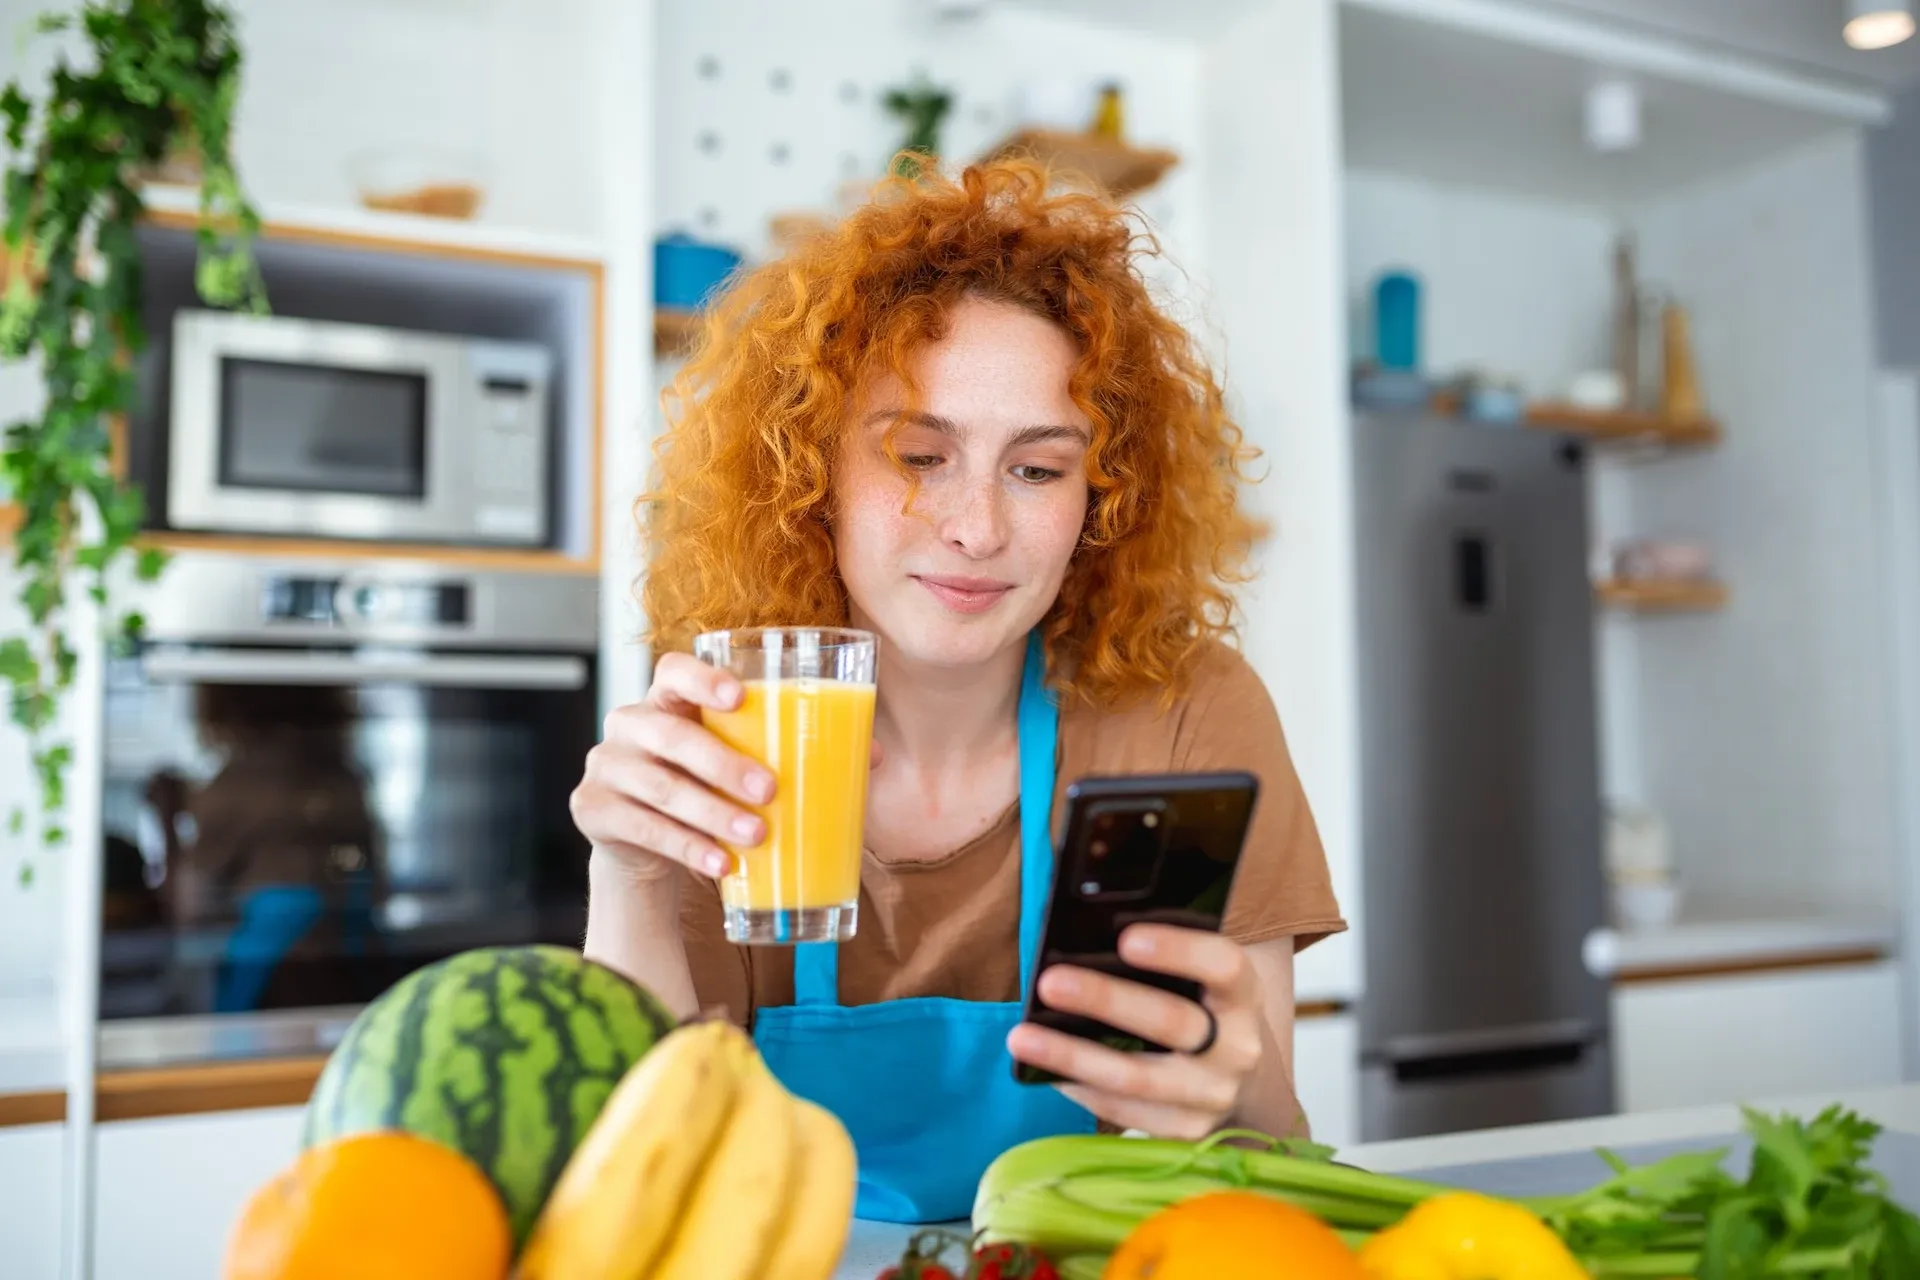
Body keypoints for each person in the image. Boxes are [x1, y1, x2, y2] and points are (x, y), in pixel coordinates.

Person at [574, 158, 1346, 1222]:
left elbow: (1269, 1157)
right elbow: (648, 1181)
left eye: (1037, 469)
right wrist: (626, 881)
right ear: (811, 472)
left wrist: (1236, 1085)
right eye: (919, 455)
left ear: (1101, 495)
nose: (978, 526)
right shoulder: (735, 718)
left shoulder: (1178, 712)